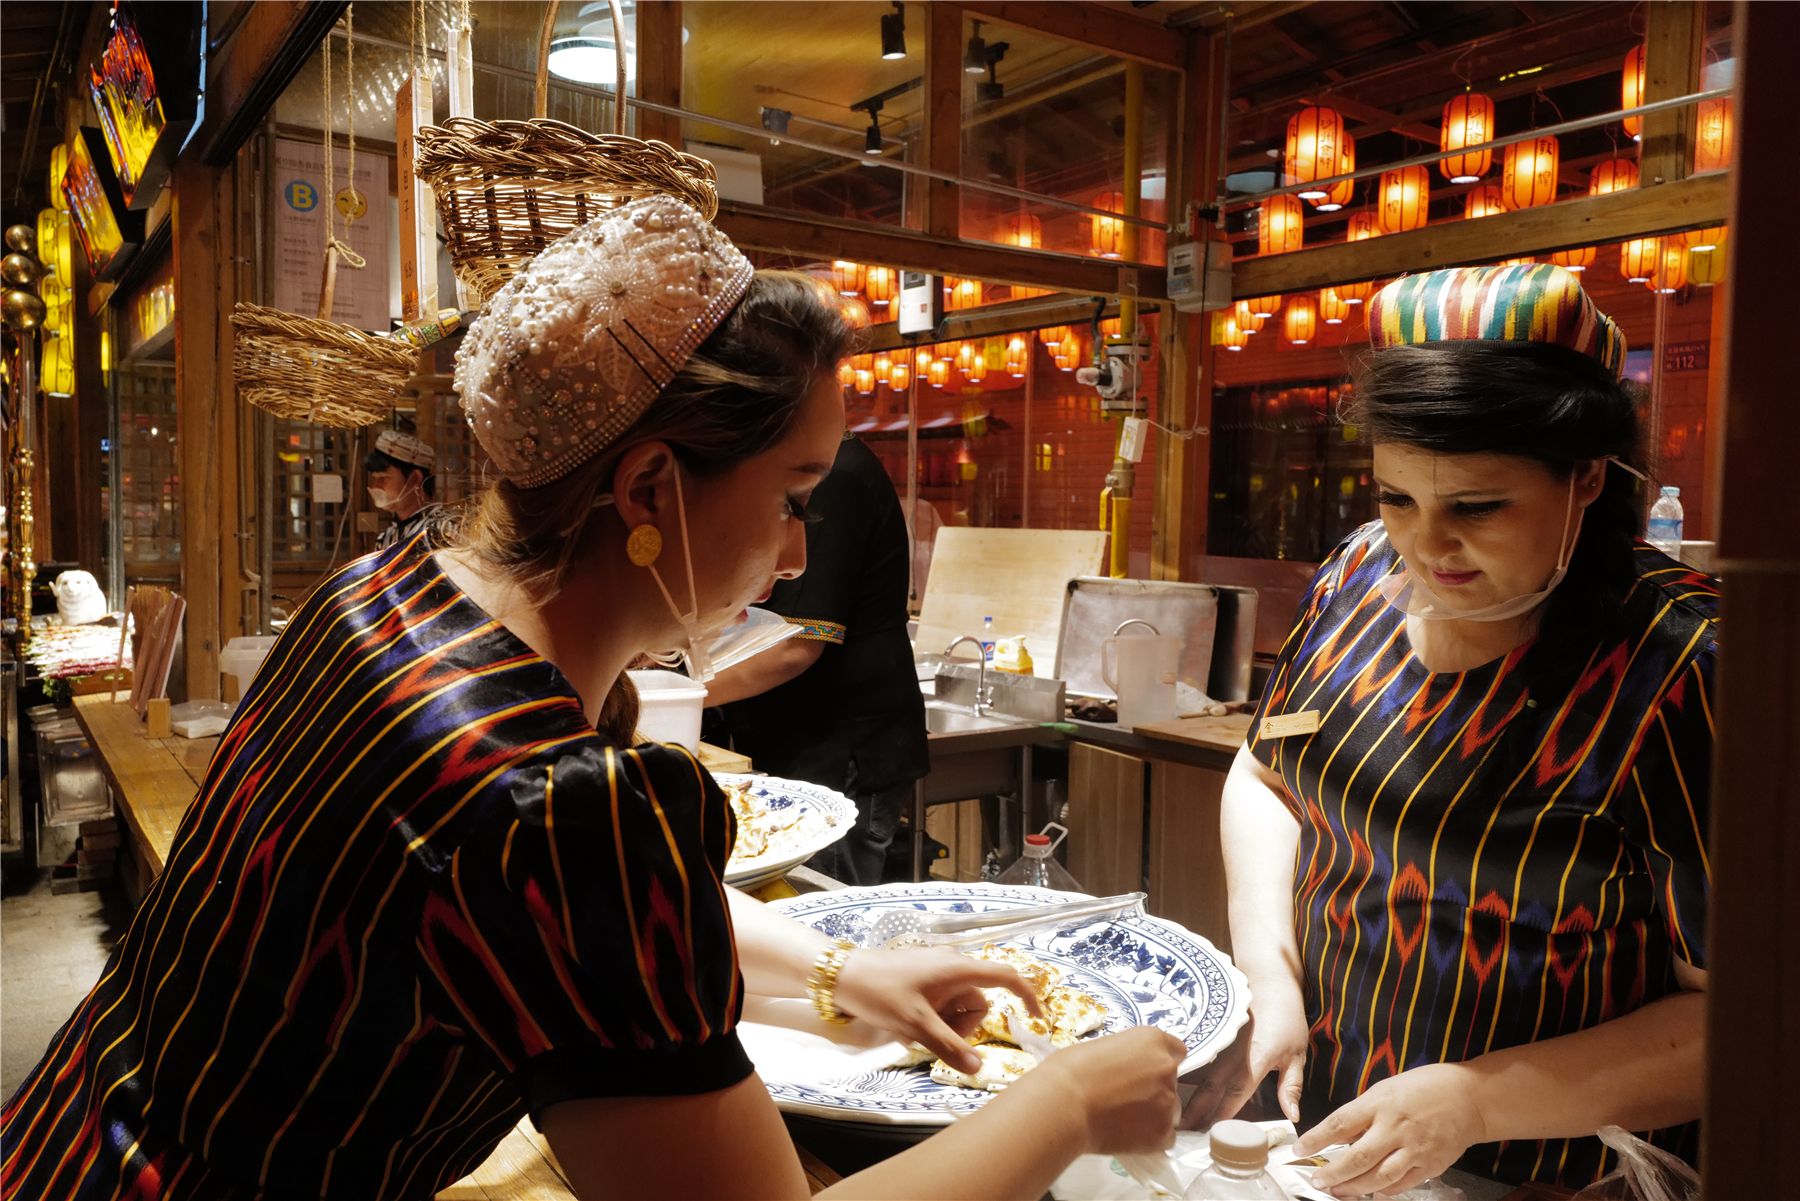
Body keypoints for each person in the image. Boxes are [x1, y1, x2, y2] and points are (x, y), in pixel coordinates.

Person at [1, 196, 1182, 1200]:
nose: (792, 553)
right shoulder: (558, 800)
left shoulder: (382, 594)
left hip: (60, 1142)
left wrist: (840, 973)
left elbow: (557, 929)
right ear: (649, 484)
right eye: (791, 496)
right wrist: (1072, 1101)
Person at [1183, 265, 1713, 1196]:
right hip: (1332, 1128)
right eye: (1397, 499)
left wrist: (1479, 1100)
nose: (1426, 547)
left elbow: (1746, 1014)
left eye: (1476, 506)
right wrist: (1267, 969)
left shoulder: (1686, 659)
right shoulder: (1357, 574)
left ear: (1587, 475)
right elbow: (1266, 773)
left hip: (1551, 1171)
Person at [704, 429, 927, 886]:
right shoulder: (786, 467)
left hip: (840, 749)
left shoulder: (833, 475)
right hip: (790, 738)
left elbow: (794, 646)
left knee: (820, 904)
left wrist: (674, 697)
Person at [365, 428, 439, 550]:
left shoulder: (441, 532)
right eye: (375, 478)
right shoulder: (386, 537)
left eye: (384, 478)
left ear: (415, 478)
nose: (376, 486)